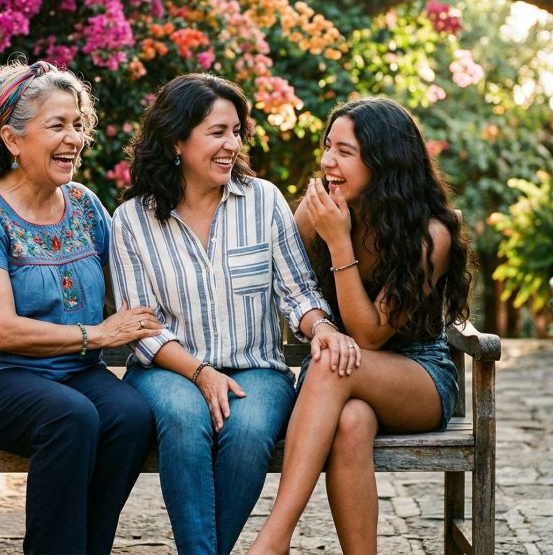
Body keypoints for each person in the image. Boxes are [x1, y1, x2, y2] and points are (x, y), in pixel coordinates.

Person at [109, 73, 352, 555]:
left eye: (236, 132)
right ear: (177, 139)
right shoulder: (132, 220)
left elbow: (297, 290)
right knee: (183, 419)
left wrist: (320, 326)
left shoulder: (263, 200)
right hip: (167, 371)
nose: (231, 145)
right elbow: (143, 328)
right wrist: (201, 374)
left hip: (257, 368)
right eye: (216, 132)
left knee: (247, 431)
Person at [0, 60, 161, 554]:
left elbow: (123, 287)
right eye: (56, 125)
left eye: (78, 124)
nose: (74, 137)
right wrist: (98, 336)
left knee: (130, 415)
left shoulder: (83, 203)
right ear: (12, 140)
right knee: (70, 418)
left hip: (68, 374)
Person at [249, 97, 472, 555]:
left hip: (417, 378)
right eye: (328, 146)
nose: (328, 161)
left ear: (383, 161)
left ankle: (274, 539)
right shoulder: (318, 211)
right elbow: (290, 288)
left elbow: (369, 334)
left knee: (333, 363)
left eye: (344, 151)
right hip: (344, 379)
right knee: (351, 423)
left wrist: (338, 242)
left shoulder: (430, 233)